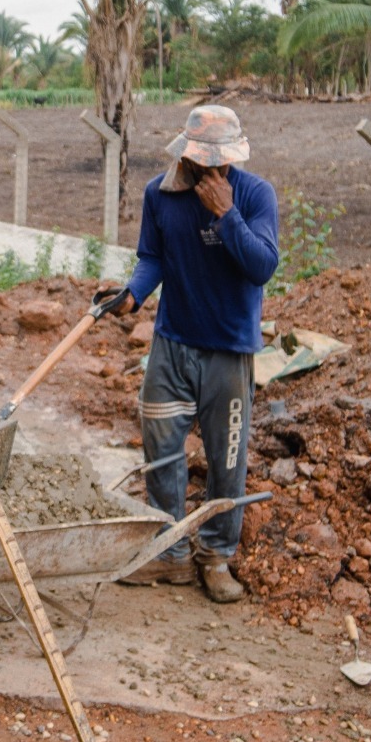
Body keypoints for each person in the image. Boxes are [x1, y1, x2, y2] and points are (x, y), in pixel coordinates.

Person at [114, 104, 279, 603]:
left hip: (229, 353)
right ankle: (170, 555)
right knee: (161, 450)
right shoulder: (160, 195)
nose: (212, 171)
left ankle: (216, 556)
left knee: (226, 460)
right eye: (202, 161)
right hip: (172, 345)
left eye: (221, 163)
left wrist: (227, 214)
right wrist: (132, 295)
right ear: (184, 154)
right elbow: (153, 257)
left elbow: (261, 266)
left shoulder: (253, 195)